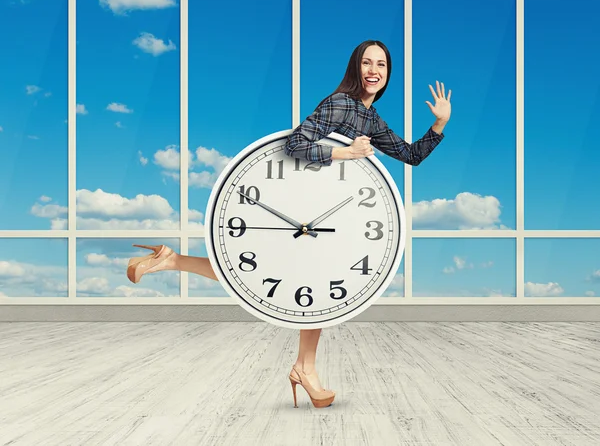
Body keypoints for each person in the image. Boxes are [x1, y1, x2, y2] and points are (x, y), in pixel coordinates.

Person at [126, 39, 451, 409]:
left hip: (320, 204)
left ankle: (172, 261)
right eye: (366, 62)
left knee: (285, 282)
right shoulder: (339, 103)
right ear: (354, 68)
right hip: (296, 198)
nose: (374, 70)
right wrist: (345, 152)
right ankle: (304, 369)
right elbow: (296, 144)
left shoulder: (371, 118)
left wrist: (439, 123)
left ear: (388, 73)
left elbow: (410, 156)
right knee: (297, 284)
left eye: (381, 64)